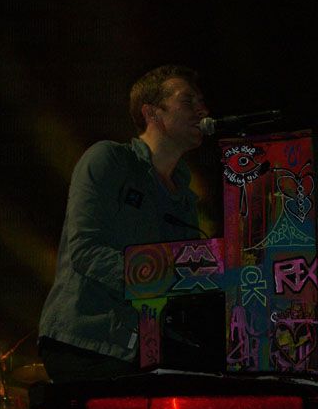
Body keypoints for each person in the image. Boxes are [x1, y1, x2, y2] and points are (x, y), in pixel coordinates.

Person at [38, 64, 209, 382]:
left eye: (202, 102)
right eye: (188, 101)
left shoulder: (185, 200)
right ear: (152, 112)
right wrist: (158, 278)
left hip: (144, 348)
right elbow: (86, 250)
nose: (203, 111)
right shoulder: (108, 159)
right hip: (87, 341)